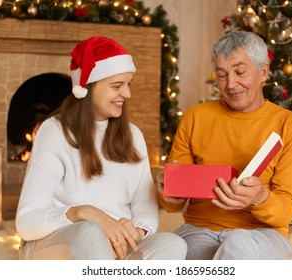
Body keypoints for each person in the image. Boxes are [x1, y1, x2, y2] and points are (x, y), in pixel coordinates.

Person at [16, 36, 187, 260]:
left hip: (116, 246)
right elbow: (27, 222)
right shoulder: (54, 132)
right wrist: (83, 213)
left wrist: (137, 231)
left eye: (128, 84)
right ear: (86, 88)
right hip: (59, 241)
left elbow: (144, 207)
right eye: (117, 86)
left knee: (173, 244)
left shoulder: (133, 135)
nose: (127, 94)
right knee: (90, 232)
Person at [158, 31, 292, 260]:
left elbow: (285, 213)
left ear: (263, 72)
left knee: (238, 243)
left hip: (264, 234)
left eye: (240, 72)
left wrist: (259, 198)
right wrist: (169, 193)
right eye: (221, 75)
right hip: (199, 230)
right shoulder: (194, 117)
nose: (230, 84)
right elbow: (173, 205)